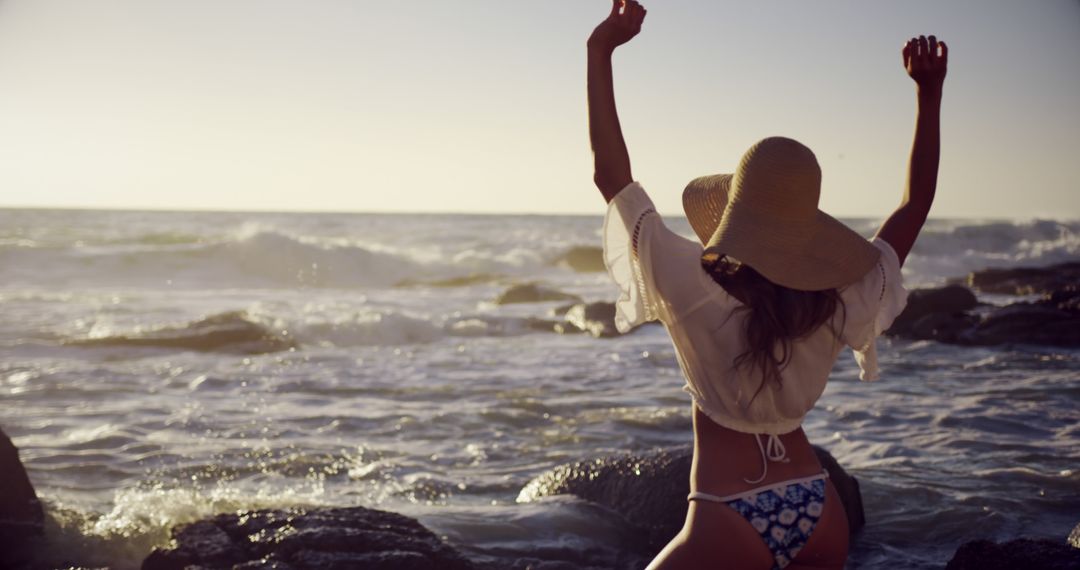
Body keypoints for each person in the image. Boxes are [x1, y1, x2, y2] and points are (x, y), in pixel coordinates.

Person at [586, 2, 947, 569]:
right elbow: (914, 206)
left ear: (736, 212)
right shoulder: (836, 297)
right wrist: (929, 95)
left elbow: (613, 177)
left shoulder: (691, 282)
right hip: (817, 506)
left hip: (724, 512)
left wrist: (600, 51)